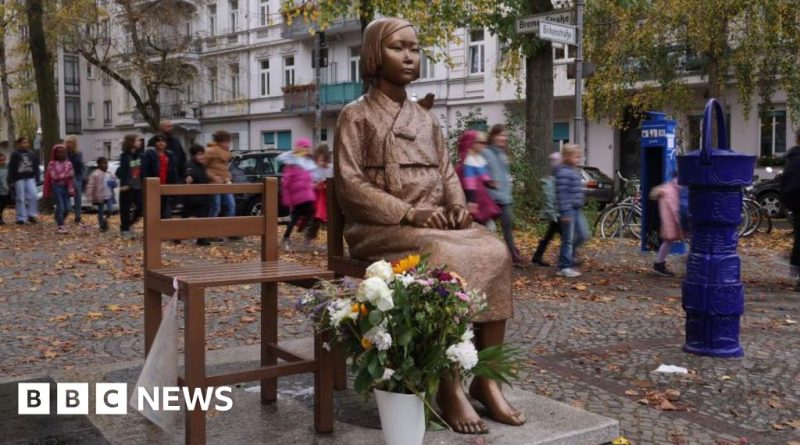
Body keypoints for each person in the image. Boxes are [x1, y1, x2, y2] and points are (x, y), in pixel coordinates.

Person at [335, 17, 523, 434]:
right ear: (372, 54)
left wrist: (457, 207)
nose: (408, 56)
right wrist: (407, 212)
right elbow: (350, 185)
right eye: (397, 47)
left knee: (493, 249)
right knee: (445, 254)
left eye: (414, 48)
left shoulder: (427, 120)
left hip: (434, 225)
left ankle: (487, 378)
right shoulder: (356, 116)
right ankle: (449, 383)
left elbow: (446, 173)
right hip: (380, 227)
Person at [483, 124, 524, 263]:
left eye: (505, 135)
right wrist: (488, 184)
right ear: (493, 136)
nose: (503, 138)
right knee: (488, 229)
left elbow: (505, 174)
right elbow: (482, 173)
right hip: (491, 198)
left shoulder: (503, 154)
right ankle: (488, 254)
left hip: (505, 197)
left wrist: (509, 185)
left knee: (507, 225)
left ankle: (512, 254)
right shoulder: (485, 152)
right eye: (501, 135)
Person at [555, 144, 589, 278]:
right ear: (568, 157)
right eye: (576, 157)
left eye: (579, 156)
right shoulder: (563, 172)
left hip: (577, 208)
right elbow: (562, 194)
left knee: (583, 235)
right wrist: (565, 212)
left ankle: (567, 256)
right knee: (568, 240)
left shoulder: (573, 170)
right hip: (568, 210)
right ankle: (564, 266)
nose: (579, 159)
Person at [456, 130, 500, 227]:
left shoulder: (478, 160)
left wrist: (490, 183)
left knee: (490, 229)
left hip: (482, 204)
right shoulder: (464, 165)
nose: (484, 146)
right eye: (481, 143)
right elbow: (468, 184)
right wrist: (471, 201)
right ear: (471, 143)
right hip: (472, 209)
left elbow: (483, 176)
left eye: (485, 143)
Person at [279, 138, 316, 251]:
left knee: (309, 214)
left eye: (308, 147)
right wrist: (296, 151)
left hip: (307, 195)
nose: (307, 149)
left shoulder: (306, 162)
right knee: (296, 217)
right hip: (298, 197)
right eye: (305, 147)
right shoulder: (292, 162)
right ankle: (287, 238)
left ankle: (296, 235)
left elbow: (313, 174)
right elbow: (286, 182)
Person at [649, 173, 685, 276]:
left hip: (670, 221)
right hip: (674, 220)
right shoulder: (678, 188)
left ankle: (659, 264)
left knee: (668, 241)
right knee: (693, 238)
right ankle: (690, 262)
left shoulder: (668, 188)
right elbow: (675, 208)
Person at [531, 152, 564, 266]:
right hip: (555, 213)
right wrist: (552, 213)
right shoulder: (555, 177)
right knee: (565, 237)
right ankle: (567, 258)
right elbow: (550, 197)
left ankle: (537, 256)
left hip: (555, 212)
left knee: (549, 235)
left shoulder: (556, 175)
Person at [780, 128, 800, 291]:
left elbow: (787, 184)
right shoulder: (796, 158)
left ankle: (796, 268)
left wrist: (790, 205)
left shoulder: (793, 158)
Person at [142, 134, 178, 218]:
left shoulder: (170, 155)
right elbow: (145, 171)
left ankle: (165, 230)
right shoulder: (150, 155)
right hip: (154, 187)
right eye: (158, 141)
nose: (161, 143)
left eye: (163, 141)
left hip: (167, 187)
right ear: (155, 143)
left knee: (167, 213)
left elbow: (173, 171)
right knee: (155, 213)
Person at [43, 144, 75, 233]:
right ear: (55, 154)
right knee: (60, 207)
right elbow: (54, 176)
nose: (61, 154)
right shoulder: (52, 164)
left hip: (66, 187)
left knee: (67, 208)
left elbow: (71, 175)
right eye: (59, 153)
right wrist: (65, 175)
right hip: (57, 188)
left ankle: (58, 217)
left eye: (63, 152)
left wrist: (66, 178)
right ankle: (61, 225)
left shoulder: (69, 163)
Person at [184, 144, 212, 246]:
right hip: (193, 198)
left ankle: (202, 238)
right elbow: (188, 178)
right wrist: (189, 178)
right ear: (193, 156)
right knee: (186, 217)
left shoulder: (203, 166)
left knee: (203, 217)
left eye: (203, 154)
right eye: (199, 154)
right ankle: (176, 235)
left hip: (203, 197)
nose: (202, 156)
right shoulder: (190, 165)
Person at [7, 137, 40, 224]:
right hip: (19, 178)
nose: (25, 144)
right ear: (19, 144)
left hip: (30, 177)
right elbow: (12, 167)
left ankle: (31, 215)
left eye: (26, 143)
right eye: (23, 143)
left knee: (33, 195)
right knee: (20, 198)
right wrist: (10, 179)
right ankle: (21, 217)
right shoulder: (15, 154)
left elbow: (36, 166)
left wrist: (37, 177)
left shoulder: (31, 154)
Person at [205, 130, 235, 222]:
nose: (229, 144)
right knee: (216, 207)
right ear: (222, 142)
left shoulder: (225, 153)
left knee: (231, 205)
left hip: (225, 182)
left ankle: (228, 229)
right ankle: (211, 231)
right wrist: (213, 177)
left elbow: (224, 168)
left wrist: (228, 177)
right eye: (227, 142)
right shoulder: (211, 151)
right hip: (214, 183)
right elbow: (203, 168)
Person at [117, 135, 144, 237]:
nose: (140, 142)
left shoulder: (139, 155)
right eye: (137, 140)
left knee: (141, 207)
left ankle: (129, 224)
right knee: (125, 209)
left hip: (138, 187)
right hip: (127, 187)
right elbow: (122, 172)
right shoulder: (125, 156)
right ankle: (125, 229)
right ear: (131, 142)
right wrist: (124, 184)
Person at [306, 143, 333, 243]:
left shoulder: (331, 168)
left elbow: (334, 181)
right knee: (317, 217)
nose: (320, 162)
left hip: (329, 196)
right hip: (318, 197)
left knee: (331, 218)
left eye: (322, 159)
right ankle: (309, 237)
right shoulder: (314, 169)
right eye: (319, 159)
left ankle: (333, 239)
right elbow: (309, 183)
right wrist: (315, 185)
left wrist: (326, 185)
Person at [85, 157, 115, 232]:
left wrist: (114, 183)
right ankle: (102, 225)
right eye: (103, 163)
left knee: (111, 210)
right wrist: (89, 195)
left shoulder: (109, 174)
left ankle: (105, 220)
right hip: (99, 196)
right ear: (98, 164)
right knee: (100, 211)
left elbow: (114, 183)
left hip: (109, 195)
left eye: (106, 164)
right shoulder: (95, 174)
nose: (105, 165)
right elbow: (90, 185)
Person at [64, 135, 85, 224]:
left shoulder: (78, 153)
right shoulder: (64, 153)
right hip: (67, 177)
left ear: (74, 144)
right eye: (67, 142)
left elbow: (79, 164)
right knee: (66, 196)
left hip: (77, 176)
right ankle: (65, 212)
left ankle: (78, 216)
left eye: (70, 142)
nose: (68, 144)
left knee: (78, 197)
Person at [0, 153, 8, 225]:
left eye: (3, 160)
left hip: (5, 191)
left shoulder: (6, 168)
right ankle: (0, 219)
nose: (2, 161)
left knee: (2, 206)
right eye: (1, 160)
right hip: (1, 190)